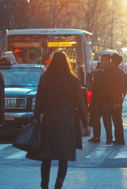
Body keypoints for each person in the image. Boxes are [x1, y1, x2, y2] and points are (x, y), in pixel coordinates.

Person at [31, 51, 88, 188]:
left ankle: (44, 184)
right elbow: (80, 103)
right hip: (66, 121)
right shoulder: (73, 80)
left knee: (47, 156)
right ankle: (59, 184)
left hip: (49, 120)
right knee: (64, 156)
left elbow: (39, 100)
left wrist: (36, 117)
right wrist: (85, 121)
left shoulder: (45, 78)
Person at [88, 54, 113, 144]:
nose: (104, 62)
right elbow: (95, 89)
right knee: (97, 121)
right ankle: (97, 137)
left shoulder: (110, 72)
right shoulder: (98, 73)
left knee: (106, 121)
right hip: (99, 101)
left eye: (105, 60)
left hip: (106, 101)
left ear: (109, 61)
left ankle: (108, 138)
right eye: (102, 60)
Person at [107, 53, 126, 145]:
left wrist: (115, 101)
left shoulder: (112, 69)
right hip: (118, 97)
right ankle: (119, 138)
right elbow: (123, 87)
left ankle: (116, 139)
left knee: (113, 120)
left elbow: (113, 86)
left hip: (112, 98)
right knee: (118, 120)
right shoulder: (120, 70)